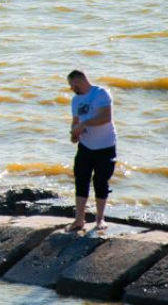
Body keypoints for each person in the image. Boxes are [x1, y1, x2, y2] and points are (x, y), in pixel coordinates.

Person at [66, 69, 117, 231]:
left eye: (73, 86)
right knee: (81, 180)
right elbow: (75, 121)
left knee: (101, 182)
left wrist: (84, 124)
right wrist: (74, 133)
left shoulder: (101, 93)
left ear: (80, 81)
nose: (72, 90)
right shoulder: (75, 100)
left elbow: (105, 117)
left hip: (105, 146)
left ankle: (99, 220)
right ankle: (79, 220)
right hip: (85, 147)